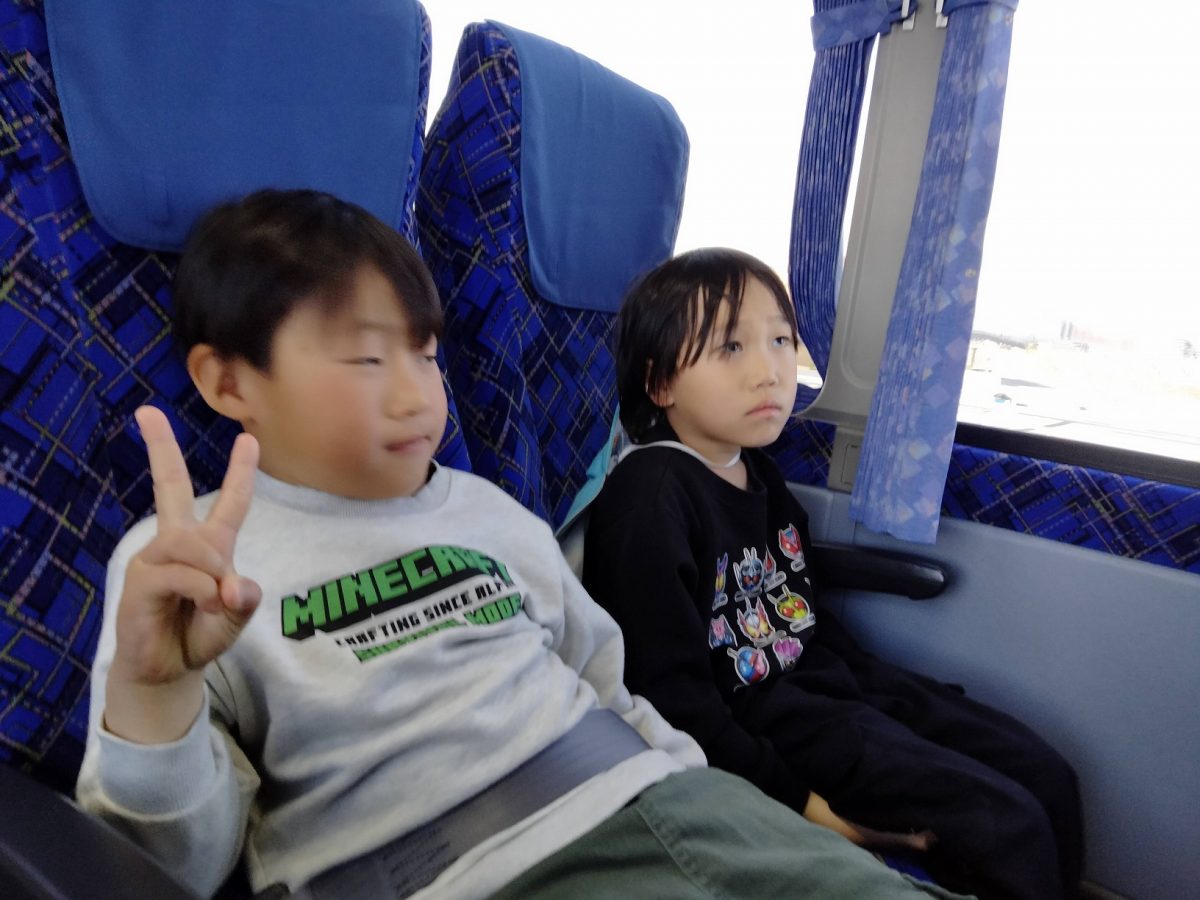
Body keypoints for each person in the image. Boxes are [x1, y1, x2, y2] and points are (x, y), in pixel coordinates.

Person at [75, 190, 967, 900]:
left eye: (426, 356)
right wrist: (154, 695)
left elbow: (605, 682)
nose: (417, 396)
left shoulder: (487, 512)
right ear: (229, 381)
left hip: (665, 803)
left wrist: (718, 796)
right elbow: (173, 868)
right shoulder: (187, 565)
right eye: (365, 360)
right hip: (462, 872)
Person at [582, 247, 1085, 900]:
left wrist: (894, 694)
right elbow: (672, 702)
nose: (769, 371)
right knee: (1005, 825)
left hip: (826, 681)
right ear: (660, 385)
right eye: (730, 347)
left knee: (1047, 775)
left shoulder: (755, 469)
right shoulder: (649, 501)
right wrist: (804, 804)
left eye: (780, 341)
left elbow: (799, 610)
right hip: (764, 720)